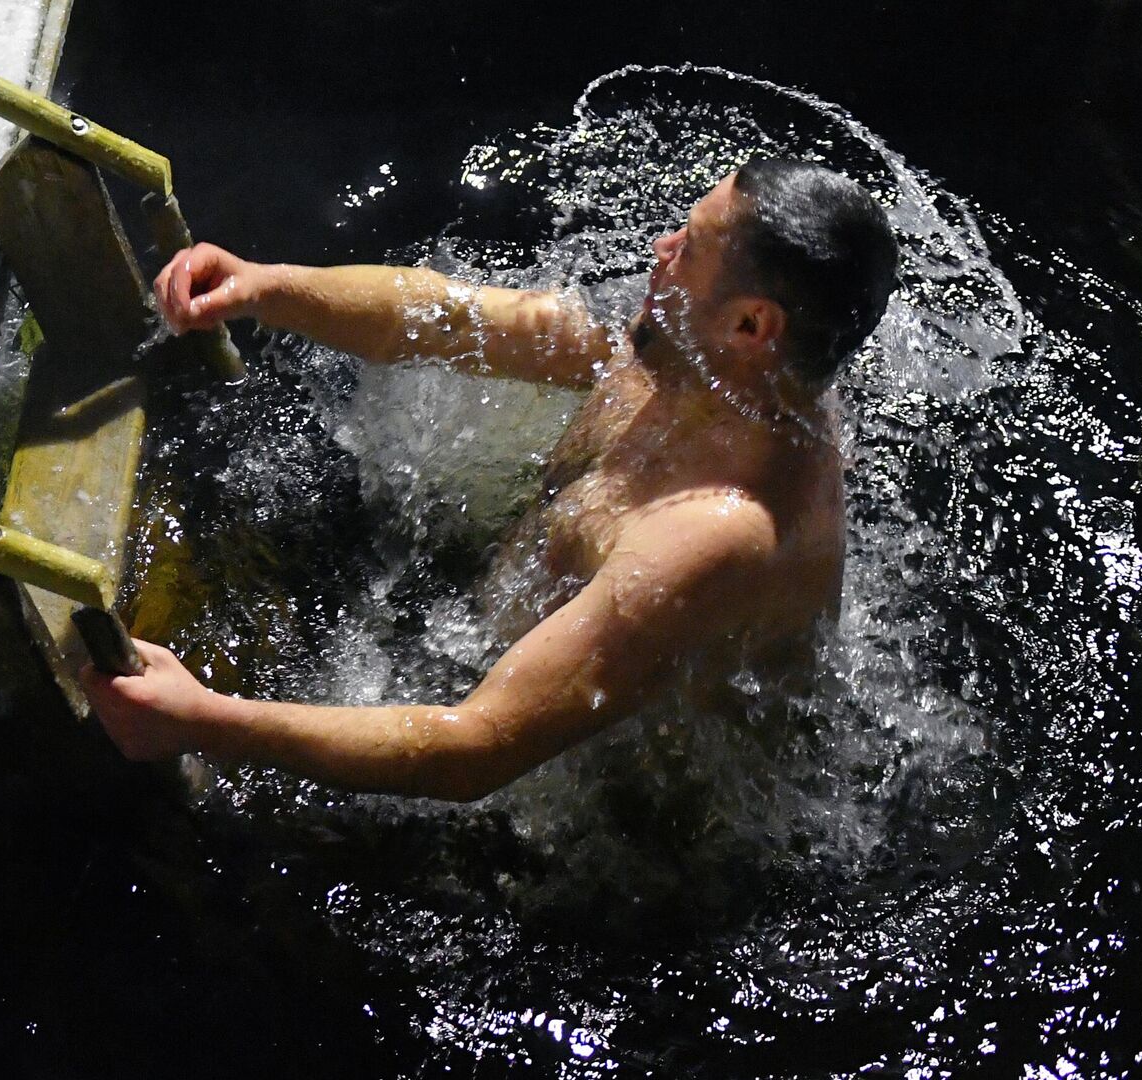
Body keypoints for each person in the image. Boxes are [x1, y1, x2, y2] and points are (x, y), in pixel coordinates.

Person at [81, 159, 898, 801]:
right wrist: (264, 288)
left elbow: (479, 749)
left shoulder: (719, 536)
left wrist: (205, 722)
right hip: (492, 656)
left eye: (688, 244)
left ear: (753, 324)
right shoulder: (702, 359)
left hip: (617, 816)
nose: (660, 252)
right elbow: (447, 318)